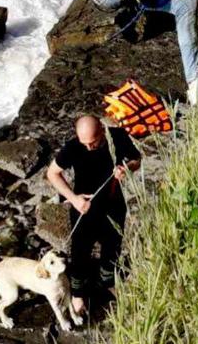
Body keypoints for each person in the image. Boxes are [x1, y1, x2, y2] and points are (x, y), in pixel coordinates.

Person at [46, 115, 142, 316]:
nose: (89, 147)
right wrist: (73, 199)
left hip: (113, 203)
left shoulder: (117, 136)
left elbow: (137, 159)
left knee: (113, 245)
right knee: (80, 252)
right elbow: (52, 173)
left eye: (93, 142)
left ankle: (108, 281)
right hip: (83, 206)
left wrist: (127, 169)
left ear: (102, 131)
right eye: (85, 143)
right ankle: (78, 293)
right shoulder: (73, 147)